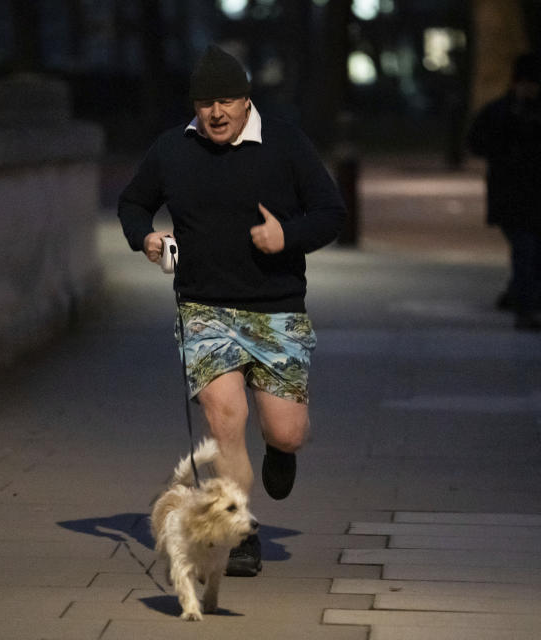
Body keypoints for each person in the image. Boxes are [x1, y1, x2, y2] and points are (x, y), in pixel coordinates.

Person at [118, 44, 346, 576]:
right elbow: (133, 202)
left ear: (246, 100)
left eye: (226, 101)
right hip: (204, 309)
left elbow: (331, 213)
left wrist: (286, 235)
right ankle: (239, 532)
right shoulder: (172, 149)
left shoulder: (286, 143)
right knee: (226, 420)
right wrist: (146, 239)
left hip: (276, 309)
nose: (215, 113)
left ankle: (281, 451)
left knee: (285, 430)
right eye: (205, 103)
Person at [467, 53, 541, 332]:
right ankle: (525, 309)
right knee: (525, 252)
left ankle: (523, 297)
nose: (529, 89)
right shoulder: (500, 112)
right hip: (513, 196)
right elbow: (477, 142)